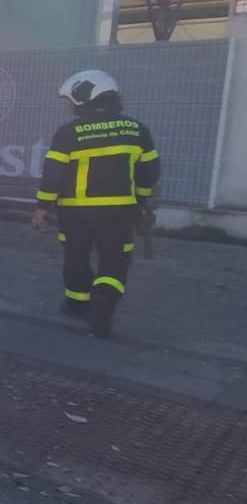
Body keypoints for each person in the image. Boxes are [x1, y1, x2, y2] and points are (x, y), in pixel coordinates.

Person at [31, 70, 159, 339]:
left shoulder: (69, 132)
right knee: (115, 261)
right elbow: (150, 171)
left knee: (75, 257)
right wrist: (143, 200)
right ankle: (103, 305)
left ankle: (77, 303)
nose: (71, 107)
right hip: (121, 211)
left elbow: (53, 173)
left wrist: (43, 206)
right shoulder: (137, 129)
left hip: (76, 212)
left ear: (86, 96)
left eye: (72, 102)